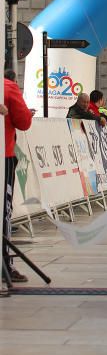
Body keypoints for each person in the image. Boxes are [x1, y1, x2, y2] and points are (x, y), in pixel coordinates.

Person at [2, 75, 33, 282]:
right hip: (3, 157)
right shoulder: (7, 87)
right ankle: (4, 263)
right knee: (3, 211)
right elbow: (23, 122)